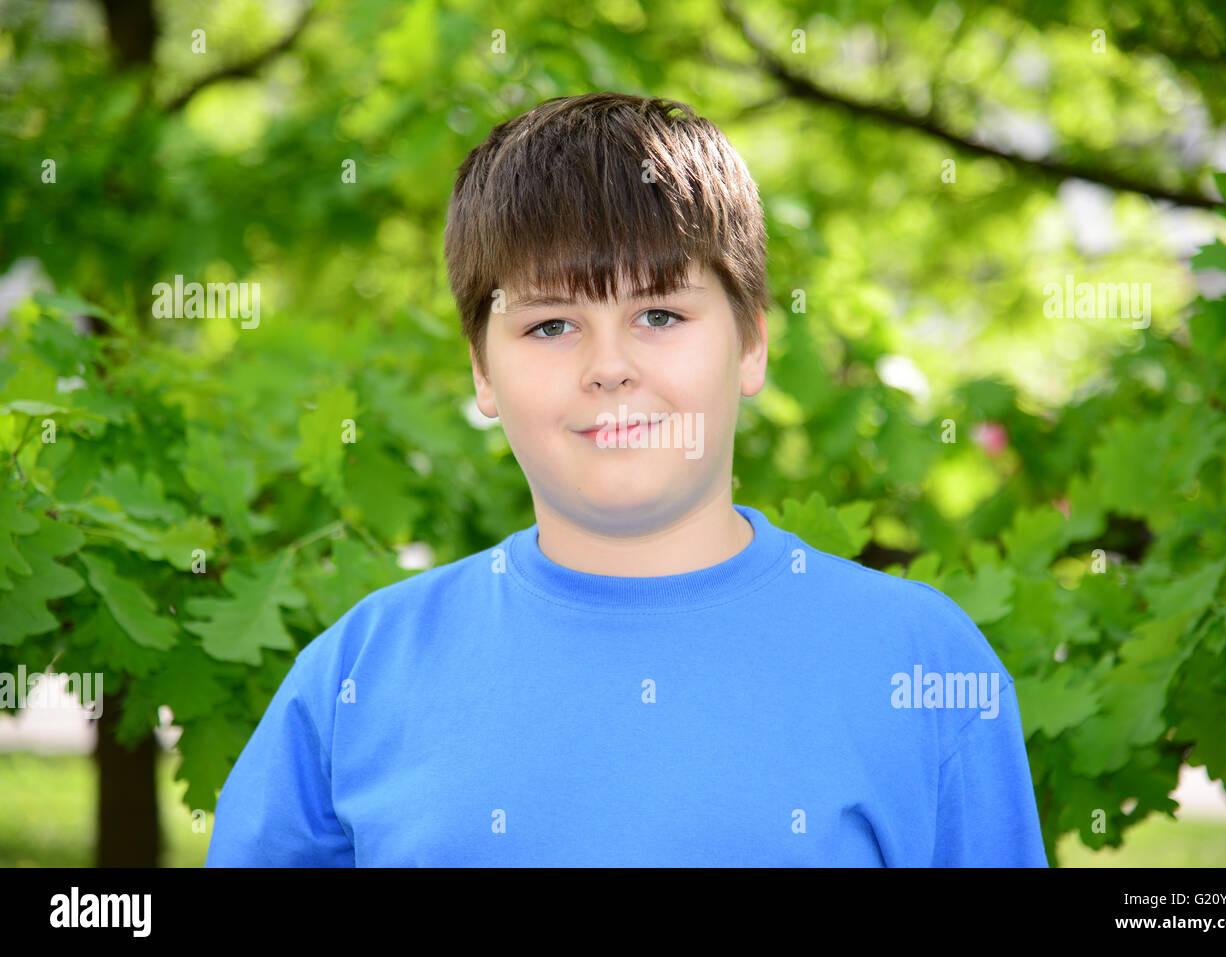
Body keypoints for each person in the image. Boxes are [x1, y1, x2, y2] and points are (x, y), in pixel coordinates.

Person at [205, 91, 1048, 867]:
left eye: (659, 314)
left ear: (751, 344)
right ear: (482, 373)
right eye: (550, 324)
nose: (609, 367)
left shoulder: (921, 663)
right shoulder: (360, 671)